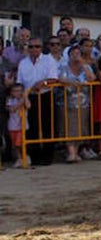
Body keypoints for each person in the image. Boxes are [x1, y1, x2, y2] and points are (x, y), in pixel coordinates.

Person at [16, 37, 58, 166]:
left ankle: (47, 156)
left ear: (42, 48)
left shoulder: (48, 60)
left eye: (37, 46)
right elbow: (20, 81)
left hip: (45, 95)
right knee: (31, 127)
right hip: (29, 96)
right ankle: (34, 156)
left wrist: (43, 83)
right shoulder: (23, 63)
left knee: (47, 126)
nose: (34, 49)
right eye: (31, 47)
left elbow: (53, 78)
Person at [6, 83, 30, 168]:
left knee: (19, 142)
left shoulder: (24, 99)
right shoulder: (10, 100)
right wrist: (20, 102)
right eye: (15, 91)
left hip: (22, 125)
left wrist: (25, 97)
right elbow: (11, 109)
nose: (17, 93)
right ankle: (19, 158)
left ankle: (24, 157)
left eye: (19, 91)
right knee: (15, 144)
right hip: (13, 125)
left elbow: (28, 106)